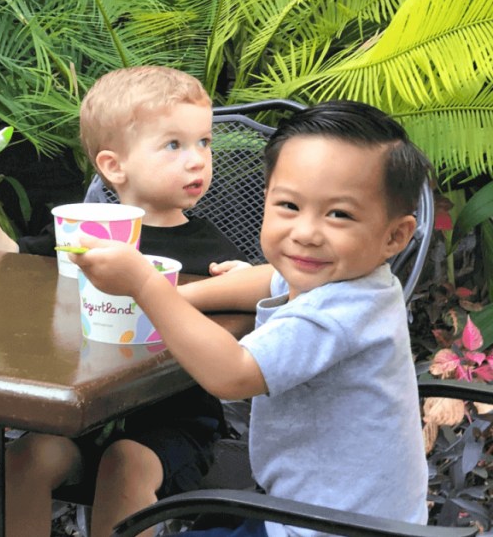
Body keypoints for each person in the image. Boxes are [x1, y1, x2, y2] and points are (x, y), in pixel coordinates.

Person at [70, 99, 430, 537]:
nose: (305, 232)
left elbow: (232, 375)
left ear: (395, 235)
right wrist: (185, 296)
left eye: (339, 214)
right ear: (267, 201)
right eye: (289, 206)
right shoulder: (352, 281)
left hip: (319, 527)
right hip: (334, 513)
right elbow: (267, 278)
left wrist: (146, 286)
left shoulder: (334, 314)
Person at [0, 65, 248, 537]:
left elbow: (246, 315)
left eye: (204, 143)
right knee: (25, 458)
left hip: (171, 424)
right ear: (113, 166)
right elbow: (13, 265)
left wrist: (243, 279)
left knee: (125, 466)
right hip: (82, 416)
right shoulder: (84, 232)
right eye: (174, 145)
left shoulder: (210, 249)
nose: (197, 160)